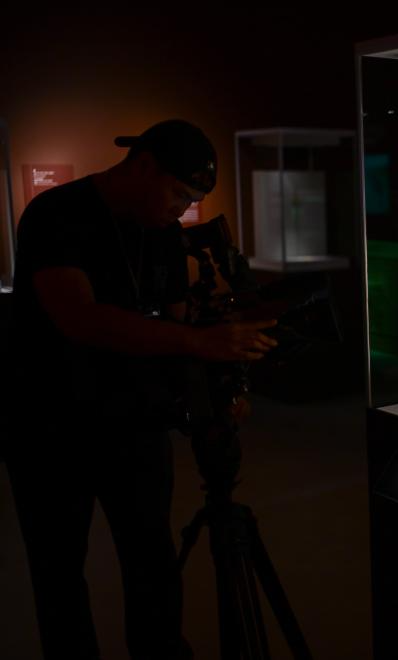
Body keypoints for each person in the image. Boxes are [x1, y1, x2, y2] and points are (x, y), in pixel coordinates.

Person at [6, 119, 277, 659]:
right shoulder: (57, 214)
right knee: (59, 569)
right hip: (50, 426)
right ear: (144, 166)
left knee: (152, 560)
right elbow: (79, 318)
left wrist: (213, 390)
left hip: (135, 423)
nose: (183, 208)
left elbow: (175, 327)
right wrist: (201, 344)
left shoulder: (163, 234)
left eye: (193, 200)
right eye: (179, 193)